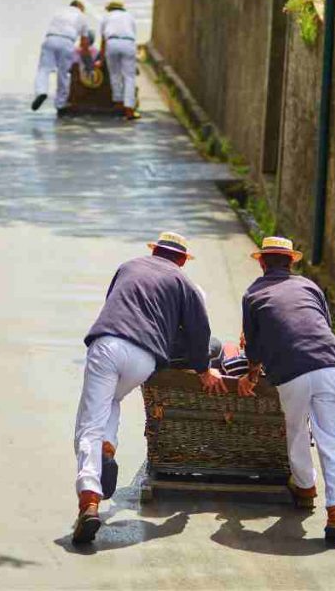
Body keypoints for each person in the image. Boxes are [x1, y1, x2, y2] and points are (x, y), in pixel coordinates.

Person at [72, 232, 228, 545]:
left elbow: (112, 306)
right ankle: (107, 447)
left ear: (154, 251)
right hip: (145, 358)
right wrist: (202, 369)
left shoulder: (127, 267)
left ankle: (89, 499)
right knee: (113, 400)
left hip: (109, 343)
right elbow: (201, 333)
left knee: (90, 420)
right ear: (182, 261)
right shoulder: (186, 285)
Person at [237, 236, 335, 545]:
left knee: (297, 430)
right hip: (330, 368)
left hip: (291, 373)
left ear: (261, 262)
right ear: (290, 262)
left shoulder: (252, 295)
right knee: (334, 440)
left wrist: (251, 375)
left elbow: (254, 346)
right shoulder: (311, 287)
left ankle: (304, 487)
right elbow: (323, 324)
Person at [32, 0, 90, 116]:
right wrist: (88, 62)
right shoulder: (82, 17)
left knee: (44, 69)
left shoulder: (59, 12)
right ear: (80, 8)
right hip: (67, 42)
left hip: (50, 39)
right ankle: (60, 104)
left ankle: (41, 92)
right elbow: (84, 44)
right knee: (63, 73)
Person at [99, 0, 140, 120]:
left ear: (109, 9)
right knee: (129, 77)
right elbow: (133, 34)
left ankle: (118, 104)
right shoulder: (130, 16)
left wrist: (101, 59)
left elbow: (103, 41)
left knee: (115, 75)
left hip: (112, 43)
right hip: (128, 43)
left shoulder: (106, 17)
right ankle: (129, 110)